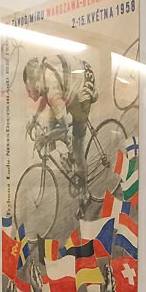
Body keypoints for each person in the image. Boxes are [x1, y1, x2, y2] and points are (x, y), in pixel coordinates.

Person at [22, 55, 98, 219]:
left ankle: (85, 194)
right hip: (73, 77)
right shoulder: (43, 79)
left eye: (28, 90)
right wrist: (35, 119)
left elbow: (62, 128)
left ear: (34, 84)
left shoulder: (52, 92)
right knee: (51, 124)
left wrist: (45, 138)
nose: (29, 95)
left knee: (77, 146)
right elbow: (45, 97)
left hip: (82, 89)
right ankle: (70, 152)